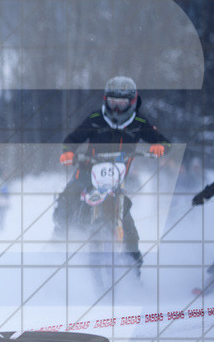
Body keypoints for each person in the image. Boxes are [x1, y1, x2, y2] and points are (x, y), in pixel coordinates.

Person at [52, 76, 170, 271]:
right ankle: (58, 237)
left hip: (117, 180)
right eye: (113, 103)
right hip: (88, 171)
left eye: (122, 103)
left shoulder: (139, 123)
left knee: (128, 222)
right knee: (69, 195)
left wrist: (160, 148)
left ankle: (134, 269)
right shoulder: (95, 119)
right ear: (106, 100)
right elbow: (71, 139)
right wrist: (68, 152)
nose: (116, 109)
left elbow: (164, 142)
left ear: (131, 103)